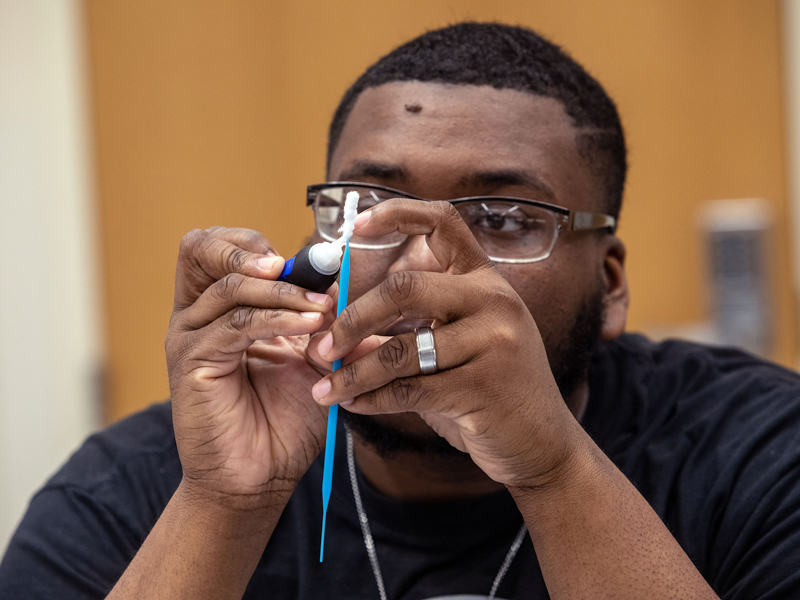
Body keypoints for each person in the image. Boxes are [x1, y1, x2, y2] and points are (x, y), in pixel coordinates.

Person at [2, 21, 800, 600]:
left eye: (503, 218)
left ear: (612, 283)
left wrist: (550, 469)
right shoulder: (139, 488)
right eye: (366, 205)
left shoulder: (760, 454)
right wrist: (226, 505)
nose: (421, 261)